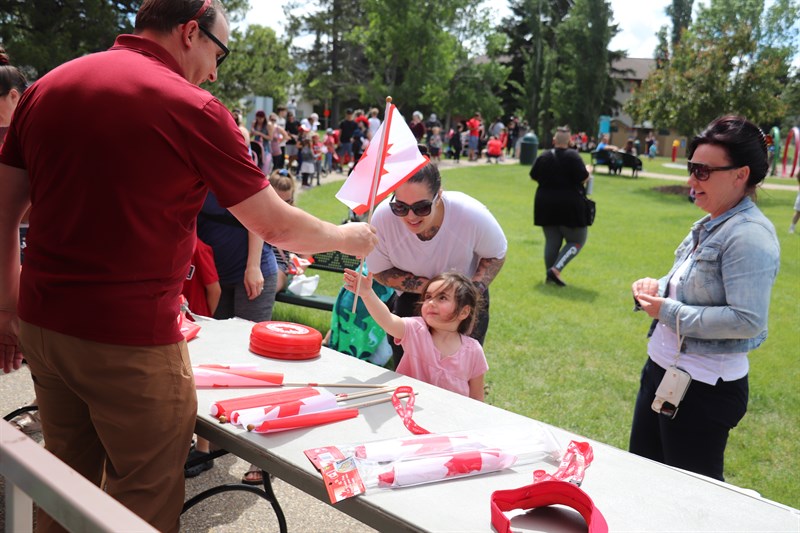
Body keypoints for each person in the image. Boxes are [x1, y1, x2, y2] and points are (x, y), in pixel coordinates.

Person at [0, 2, 377, 531]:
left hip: (44, 324)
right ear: (190, 31)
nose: (216, 71)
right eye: (218, 52)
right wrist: (350, 237)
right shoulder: (193, 107)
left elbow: (4, 209)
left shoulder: (47, 87)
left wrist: (7, 305)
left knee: (64, 484)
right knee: (143, 497)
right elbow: (275, 225)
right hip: (128, 338)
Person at [629, 115, 780, 482]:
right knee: (643, 481)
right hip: (664, 372)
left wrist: (670, 312)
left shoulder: (749, 235)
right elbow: (687, 282)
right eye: (690, 168)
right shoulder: (714, 221)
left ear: (740, 174)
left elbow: (747, 319)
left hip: (702, 390)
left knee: (690, 501)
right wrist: (656, 286)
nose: (691, 181)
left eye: (702, 171)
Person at [366, 163, 506, 369]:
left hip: (464, 299)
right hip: (411, 298)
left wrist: (468, 293)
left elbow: (496, 254)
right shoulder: (383, 218)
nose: (411, 216)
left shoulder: (470, 214)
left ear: (438, 195)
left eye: (421, 207)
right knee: (410, 369)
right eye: (400, 207)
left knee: (461, 369)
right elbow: (379, 270)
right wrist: (429, 288)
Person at [344, 270, 487, 400]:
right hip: (407, 411)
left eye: (442, 298)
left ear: (463, 312)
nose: (431, 303)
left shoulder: (473, 351)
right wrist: (367, 293)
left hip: (449, 421)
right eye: (428, 297)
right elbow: (387, 320)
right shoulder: (416, 330)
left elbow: (477, 400)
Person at [530, 127, 591, 287]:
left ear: (554, 141)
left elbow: (533, 175)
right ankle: (555, 270)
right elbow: (584, 177)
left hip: (545, 204)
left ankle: (550, 277)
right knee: (577, 240)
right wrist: (588, 171)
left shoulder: (544, 156)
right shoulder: (573, 156)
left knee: (552, 241)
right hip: (570, 206)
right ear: (570, 141)